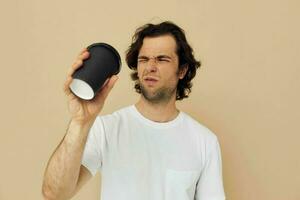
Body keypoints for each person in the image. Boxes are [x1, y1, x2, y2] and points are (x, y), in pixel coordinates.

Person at [42, 21, 226, 200]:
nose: (150, 67)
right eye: (144, 59)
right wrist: (79, 122)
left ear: (182, 70)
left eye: (162, 59)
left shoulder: (204, 142)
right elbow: (55, 194)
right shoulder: (106, 129)